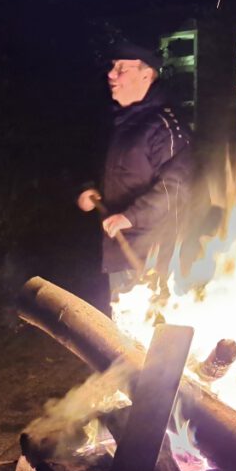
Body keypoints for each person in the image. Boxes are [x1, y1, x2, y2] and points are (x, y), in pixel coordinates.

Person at [76, 40, 194, 302]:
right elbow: (103, 166)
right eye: (112, 66)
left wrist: (130, 216)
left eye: (121, 68)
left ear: (146, 74)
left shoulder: (165, 126)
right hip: (119, 253)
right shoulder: (120, 122)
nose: (111, 74)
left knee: (151, 334)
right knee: (123, 334)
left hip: (152, 256)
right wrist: (88, 187)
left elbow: (177, 188)